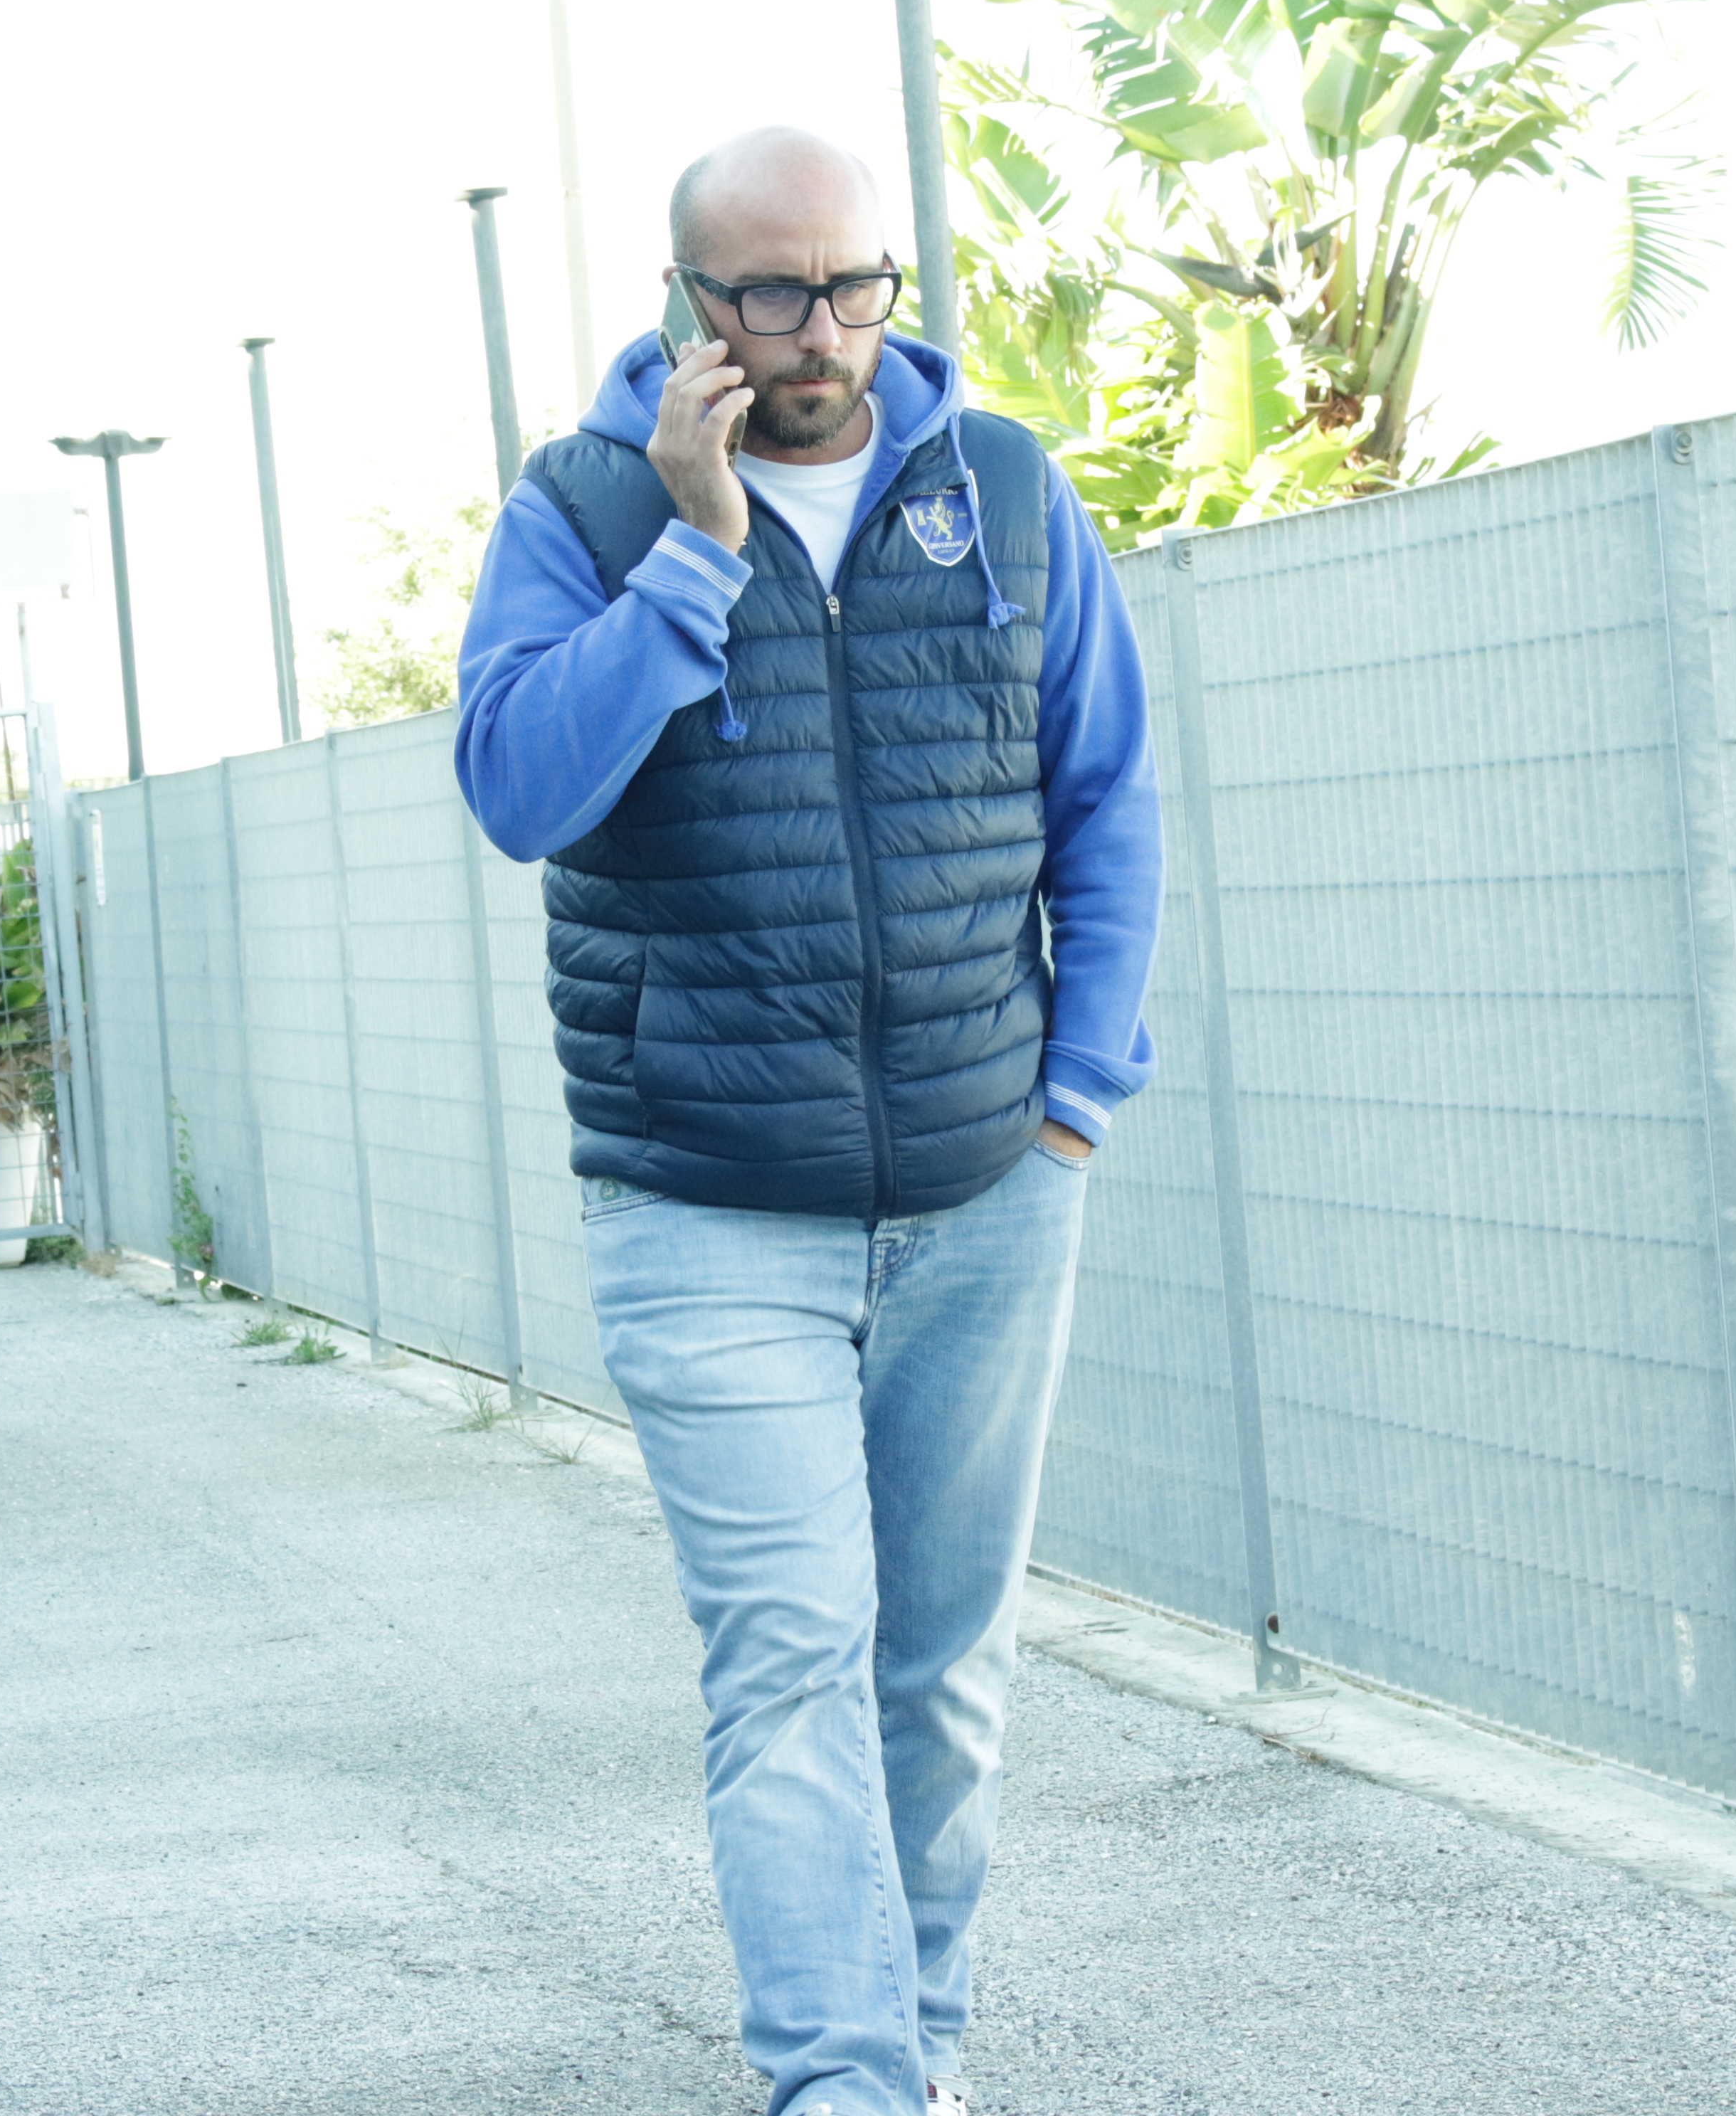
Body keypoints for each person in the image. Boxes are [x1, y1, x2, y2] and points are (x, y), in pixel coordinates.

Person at [454, 125, 1162, 2115]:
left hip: (986, 1187)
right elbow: (520, 791)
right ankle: (837, 2084)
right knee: (790, 1654)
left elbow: (1107, 798)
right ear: (692, 303)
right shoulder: (585, 506)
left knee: (938, 1670)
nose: (820, 333)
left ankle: (916, 2053)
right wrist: (693, 553)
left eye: (854, 286)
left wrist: (1076, 1100)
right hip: (703, 1203)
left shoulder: (1000, 490)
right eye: (772, 295)